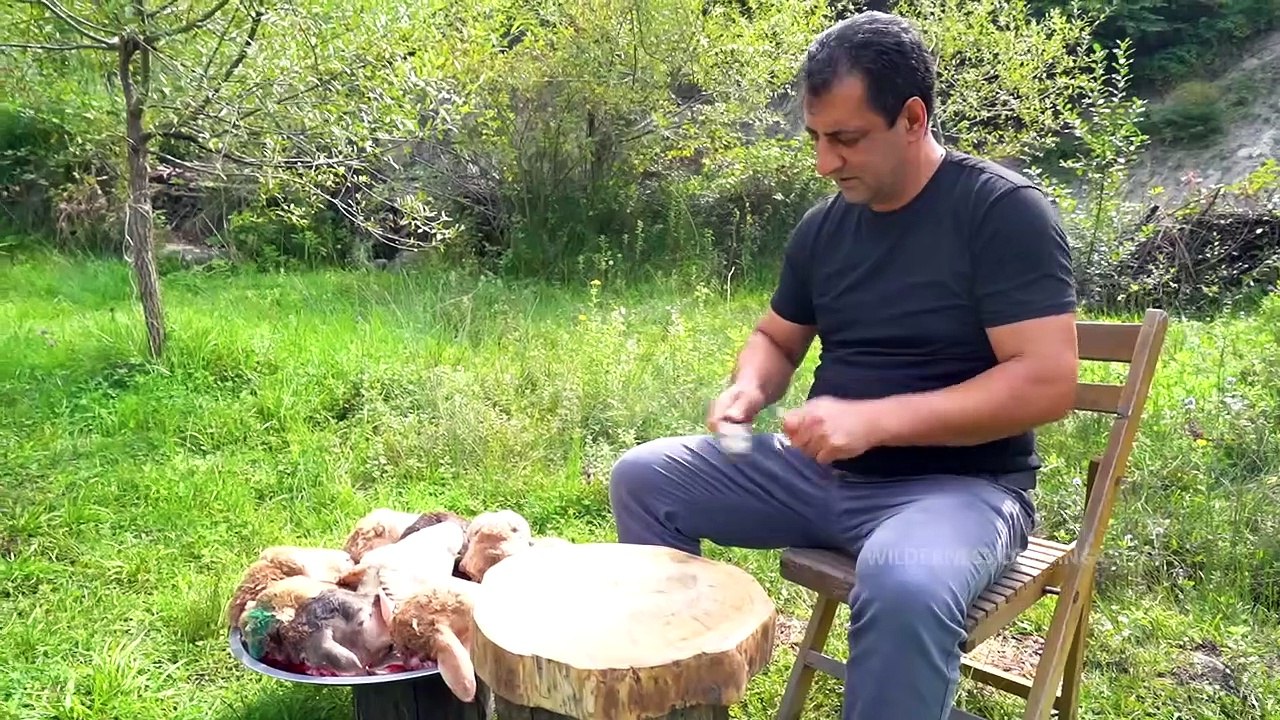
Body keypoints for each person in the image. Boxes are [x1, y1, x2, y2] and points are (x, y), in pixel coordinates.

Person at [607, 9, 1080, 720]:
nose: (826, 162)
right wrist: (749, 387)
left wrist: (874, 421)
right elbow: (777, 337)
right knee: (643, 478)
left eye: (847, 139)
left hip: (957, 491)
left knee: (904, 586)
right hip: (818, 475)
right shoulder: (824, 227)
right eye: (817, 139)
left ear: (913, 118)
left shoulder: (1001, 212)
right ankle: (686, 705)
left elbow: (1046, 381)